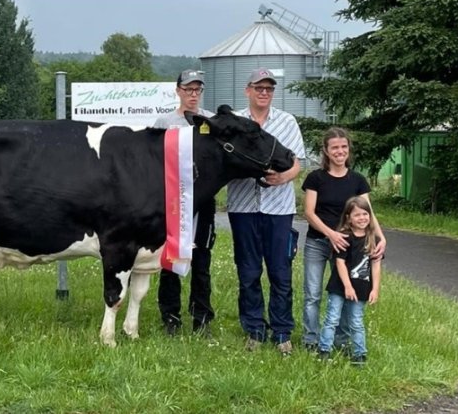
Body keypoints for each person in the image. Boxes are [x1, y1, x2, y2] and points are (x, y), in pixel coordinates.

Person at [227, 67, 306, 355]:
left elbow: (298, 162)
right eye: (258, 87)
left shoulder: (287, 122)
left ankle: (282, 330)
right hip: (243, 207)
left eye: (269, 88)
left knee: (280, 271)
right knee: (248, 271)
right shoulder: (235, 122)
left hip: (279, 210)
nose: (264, 93)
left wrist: (284, 177)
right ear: (247, 90)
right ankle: (254, 330)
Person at [302, 127, 386, 351]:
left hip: (349, 248)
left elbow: (367, 212)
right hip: (318, 242)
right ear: (326, 151)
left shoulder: (357, 180)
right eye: (335, 148)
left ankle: (340, 340)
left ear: (348, 149)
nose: (340, 151)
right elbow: (308, 212)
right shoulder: (315, 178)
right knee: (313, 294)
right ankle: (311, 339)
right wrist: (330, 233)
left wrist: (380, 237)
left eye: (343, 147)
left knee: (348, 291)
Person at [154, 70, 217, 337]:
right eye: (188, 89)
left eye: (197, 90)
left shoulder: (211, 121)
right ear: (178, 90)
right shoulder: (165, 121)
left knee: (201, 258)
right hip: (173, 201)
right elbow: (153, 158)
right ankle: (170, 315)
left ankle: (201, 316)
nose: (192, 95)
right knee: (172, 258)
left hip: (203, 201)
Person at [317, 196, 382, 366]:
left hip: (361, 288)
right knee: (332, 318)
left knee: (356, 321)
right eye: (357, 215)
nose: (362, 218)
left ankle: (359, 354)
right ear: (348, 218)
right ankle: (324, 349)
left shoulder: (373, 239)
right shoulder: (345, 237)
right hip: (340, 286)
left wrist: (375, 289)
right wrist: (347, 286)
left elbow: (375, 265)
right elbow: (339, 262)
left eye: (365, 214)